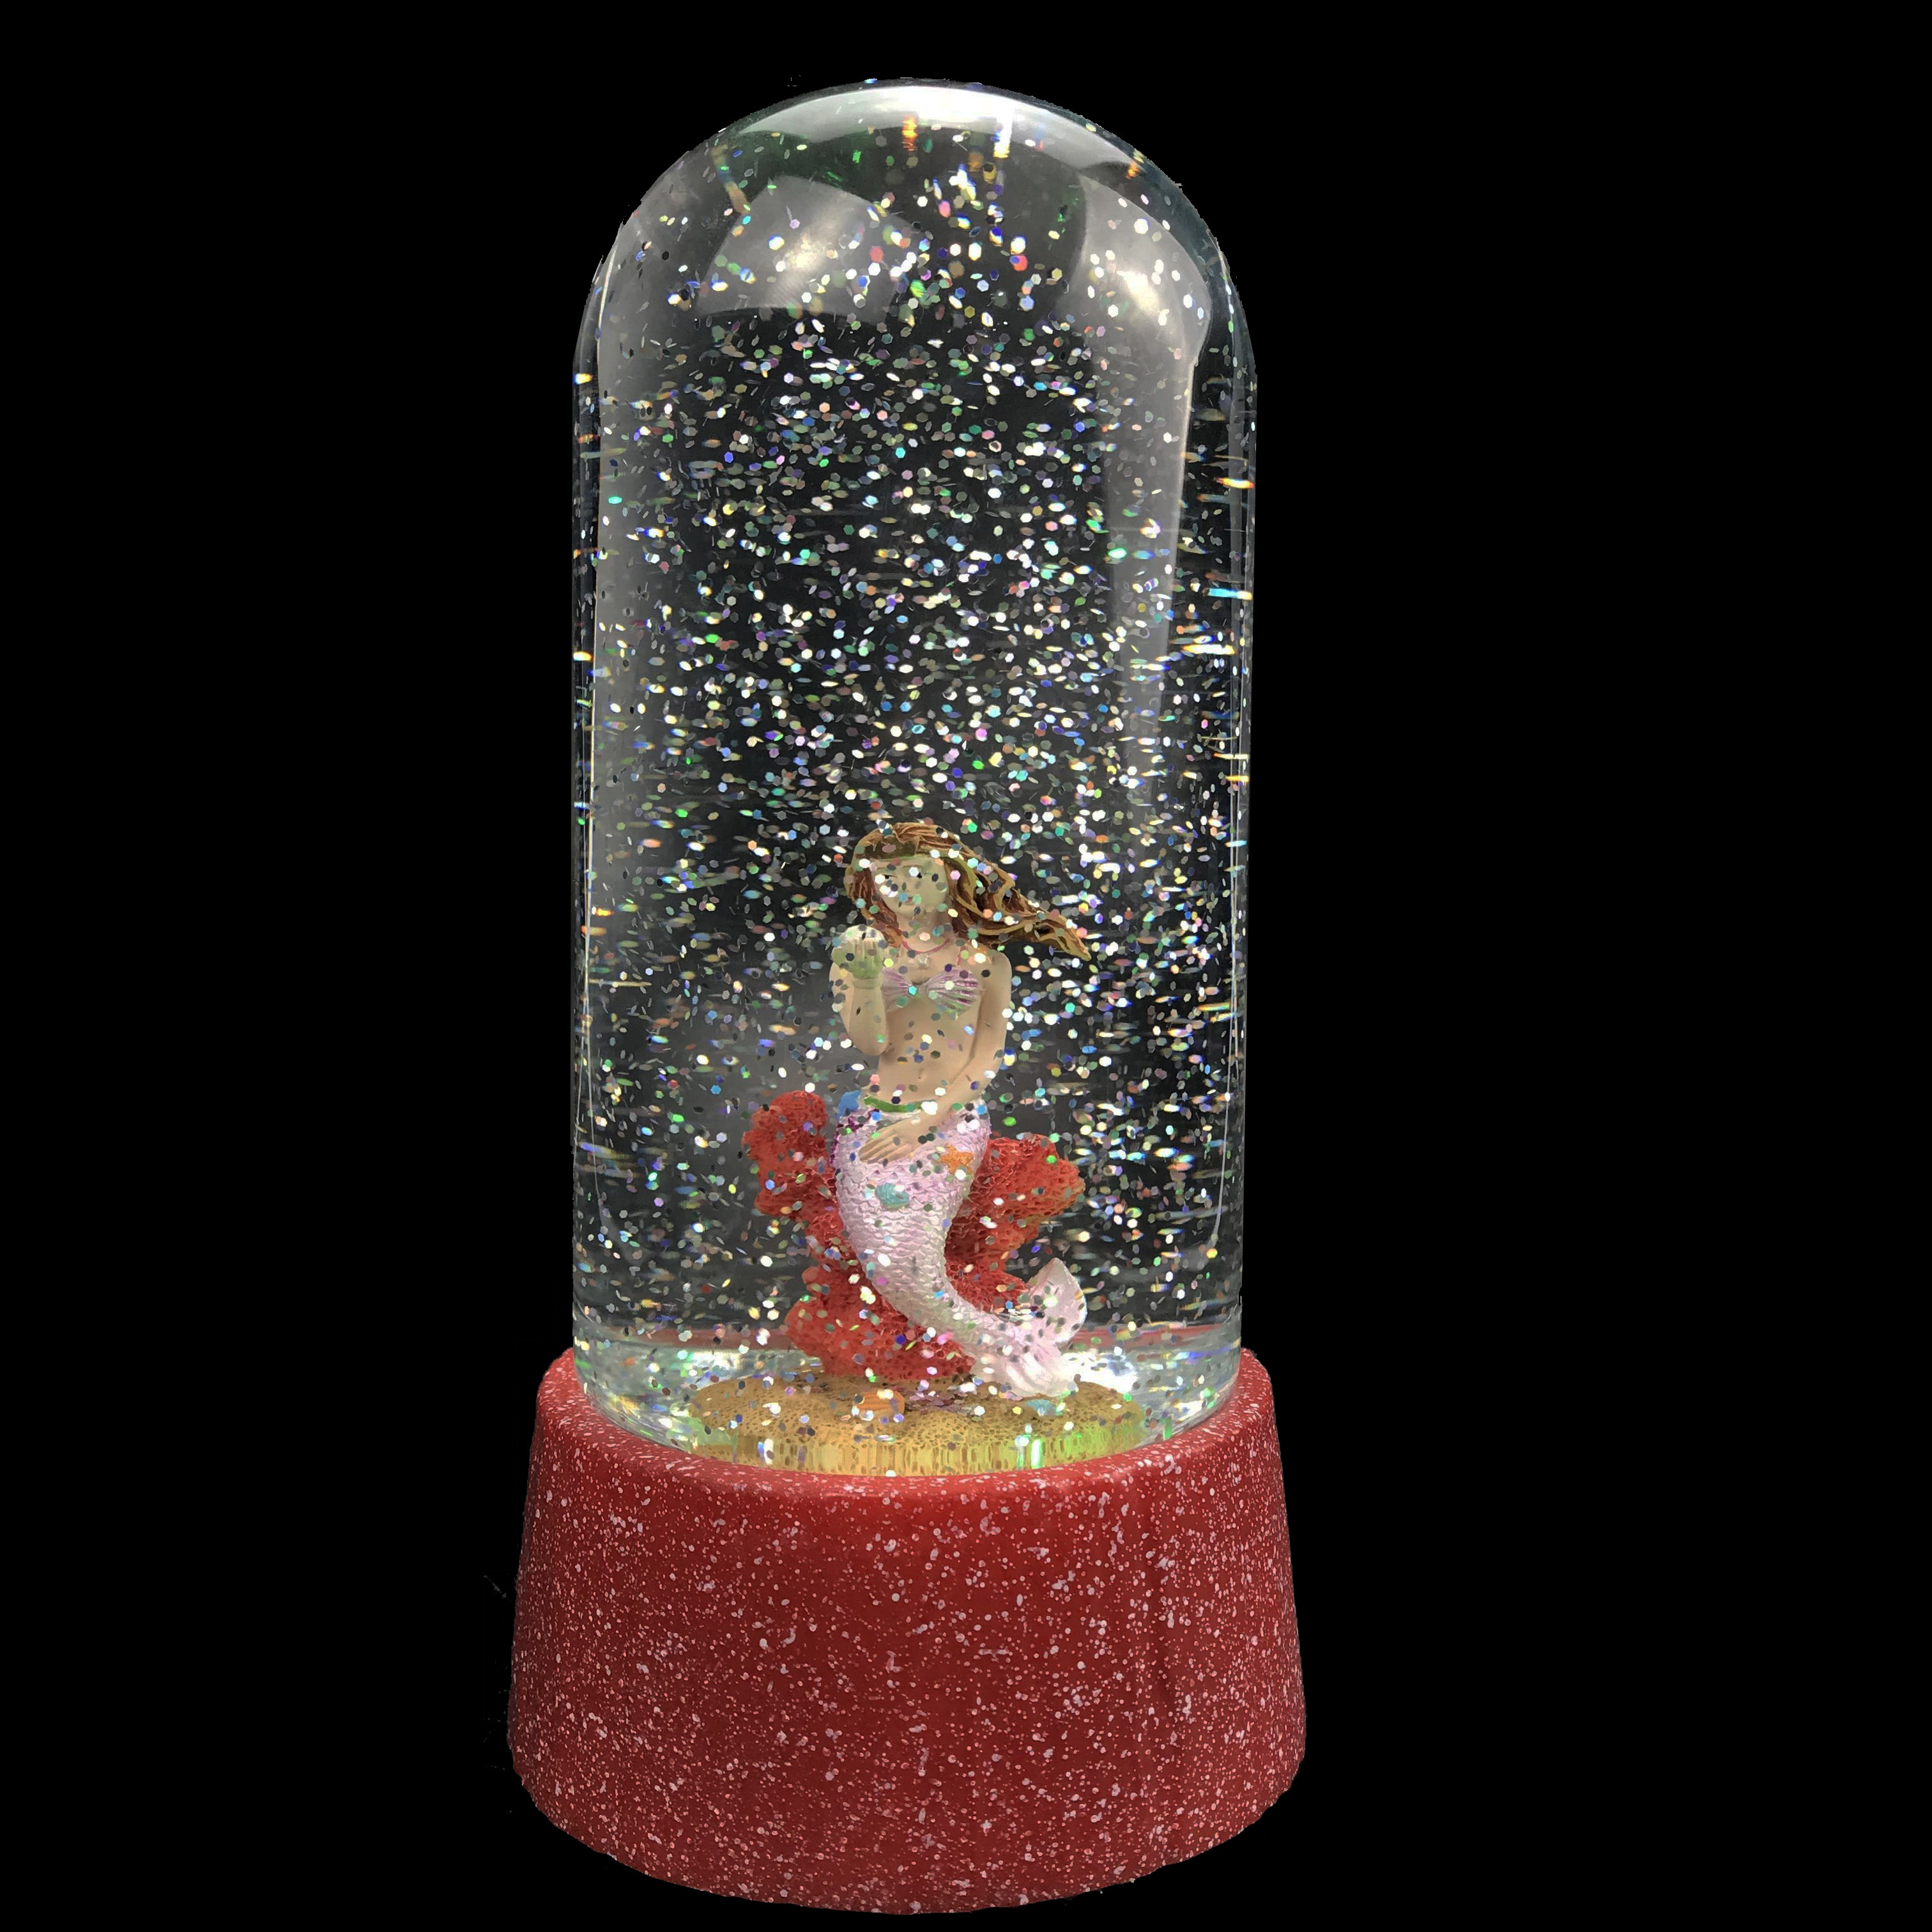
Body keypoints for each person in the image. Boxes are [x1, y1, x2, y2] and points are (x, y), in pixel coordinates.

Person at [827, 820, 1089, 1397]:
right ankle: (1006, 1345)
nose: (901, 887)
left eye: (916, 873)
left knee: (915, 1260)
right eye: (887, 876)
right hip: (876, 1120)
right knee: (889, 1267)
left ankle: (1012, 1350)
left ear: (952, 878)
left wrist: (926, 1123)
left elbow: (984, 1060)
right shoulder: (861, 950)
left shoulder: (987, 964)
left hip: (949, 1125)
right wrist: (868, 981)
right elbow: (869, 1042)